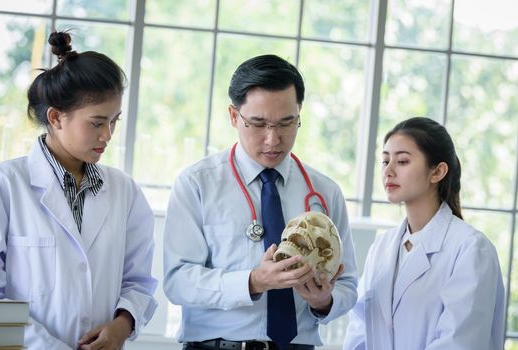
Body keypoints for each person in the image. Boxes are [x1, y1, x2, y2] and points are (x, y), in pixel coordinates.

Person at [163, 54, 358, 350]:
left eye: (286, 123)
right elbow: (177, 281)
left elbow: (348, 284)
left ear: (299, 114)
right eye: (258, 124)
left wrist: (324, 301)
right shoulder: (197, 184)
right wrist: (252, 281)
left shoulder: (324, 191)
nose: (273, 139)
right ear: (233, 116)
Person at [0, 31, 158, 349]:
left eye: (115, 121)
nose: (108, 134)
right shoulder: (6, 184)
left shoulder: (124, 192)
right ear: (56, 117)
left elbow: (139, 281)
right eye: (97, 123)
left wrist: (122, 325)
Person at [342, 117, 505, 350]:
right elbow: (359, 332)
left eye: (402, 161)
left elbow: (460, 342)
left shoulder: (471, 249)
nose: (388, 170)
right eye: (385, 160)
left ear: (437, 171)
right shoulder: (381, 247)